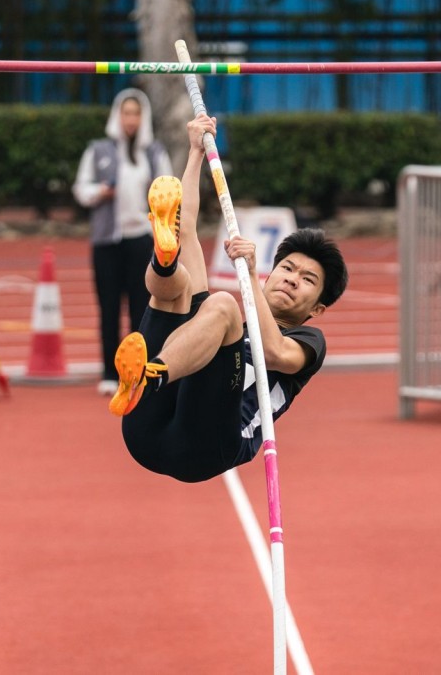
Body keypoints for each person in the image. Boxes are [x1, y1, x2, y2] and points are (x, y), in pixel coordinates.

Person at [109, 114, 349, 483]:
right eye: (287, 268)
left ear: (317, 307)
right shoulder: (214, 327)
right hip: (145, 426)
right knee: (182, 282)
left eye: (307, 280)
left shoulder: (308, 340)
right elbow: (187, 230)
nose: (291, 279)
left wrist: (249, 276)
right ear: (273, 273)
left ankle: (150, 374)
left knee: (221, 306)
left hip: (208, 447)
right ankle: (163, 263)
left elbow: (274, 354)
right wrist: (194, 152)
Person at [72, 88, 173, 396]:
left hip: (141, 239)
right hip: (107, 241)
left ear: (144, 118)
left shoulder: (153, 152)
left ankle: (139, 370)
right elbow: (81, 189)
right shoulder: (99, 150)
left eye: (136, 114)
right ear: (117, 116)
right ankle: (108, 371)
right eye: (126, 113)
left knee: (142, 308)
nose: (131, 119)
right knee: (109, 307)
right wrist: (100, 192)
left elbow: (168, 189)